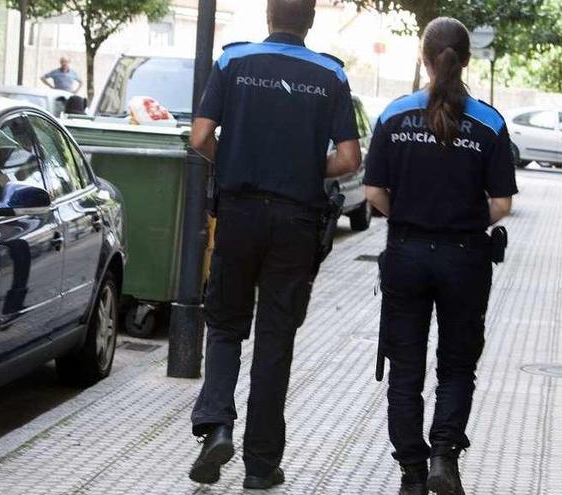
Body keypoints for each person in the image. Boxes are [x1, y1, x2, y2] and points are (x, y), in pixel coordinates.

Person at [188, 0, 361, 489]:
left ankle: (217, 425)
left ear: (268, 16)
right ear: (309, 20)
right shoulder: (331, 75)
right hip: (296, 222)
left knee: (224, 323)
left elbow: (200, 136)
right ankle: (261, 467)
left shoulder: (233, 62)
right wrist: (306, 168)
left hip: (239, 212)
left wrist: (234, 158)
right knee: (275, 341)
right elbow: (349, 157)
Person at [363, 17, 517, 495]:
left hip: (406, 254)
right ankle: (443, 458)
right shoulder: (489, 122)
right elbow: (502, 203)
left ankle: (411, 470)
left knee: (405, 368)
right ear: (465, 61)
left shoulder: (393, 116)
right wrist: (465, 221)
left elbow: (372, 192)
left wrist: (408, 217)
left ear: (424, 60)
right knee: (456, 364)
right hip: (465, 258)